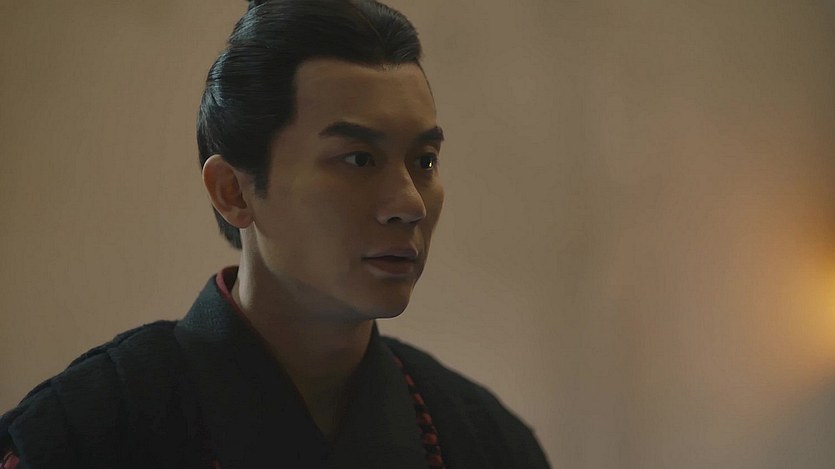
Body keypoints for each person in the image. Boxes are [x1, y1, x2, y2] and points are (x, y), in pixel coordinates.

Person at [0, 0, 550, 467]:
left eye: (424, 160)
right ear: (234, 192)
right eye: (359, 159)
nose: (409, 203)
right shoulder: (80, 435)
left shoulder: (487, 443)